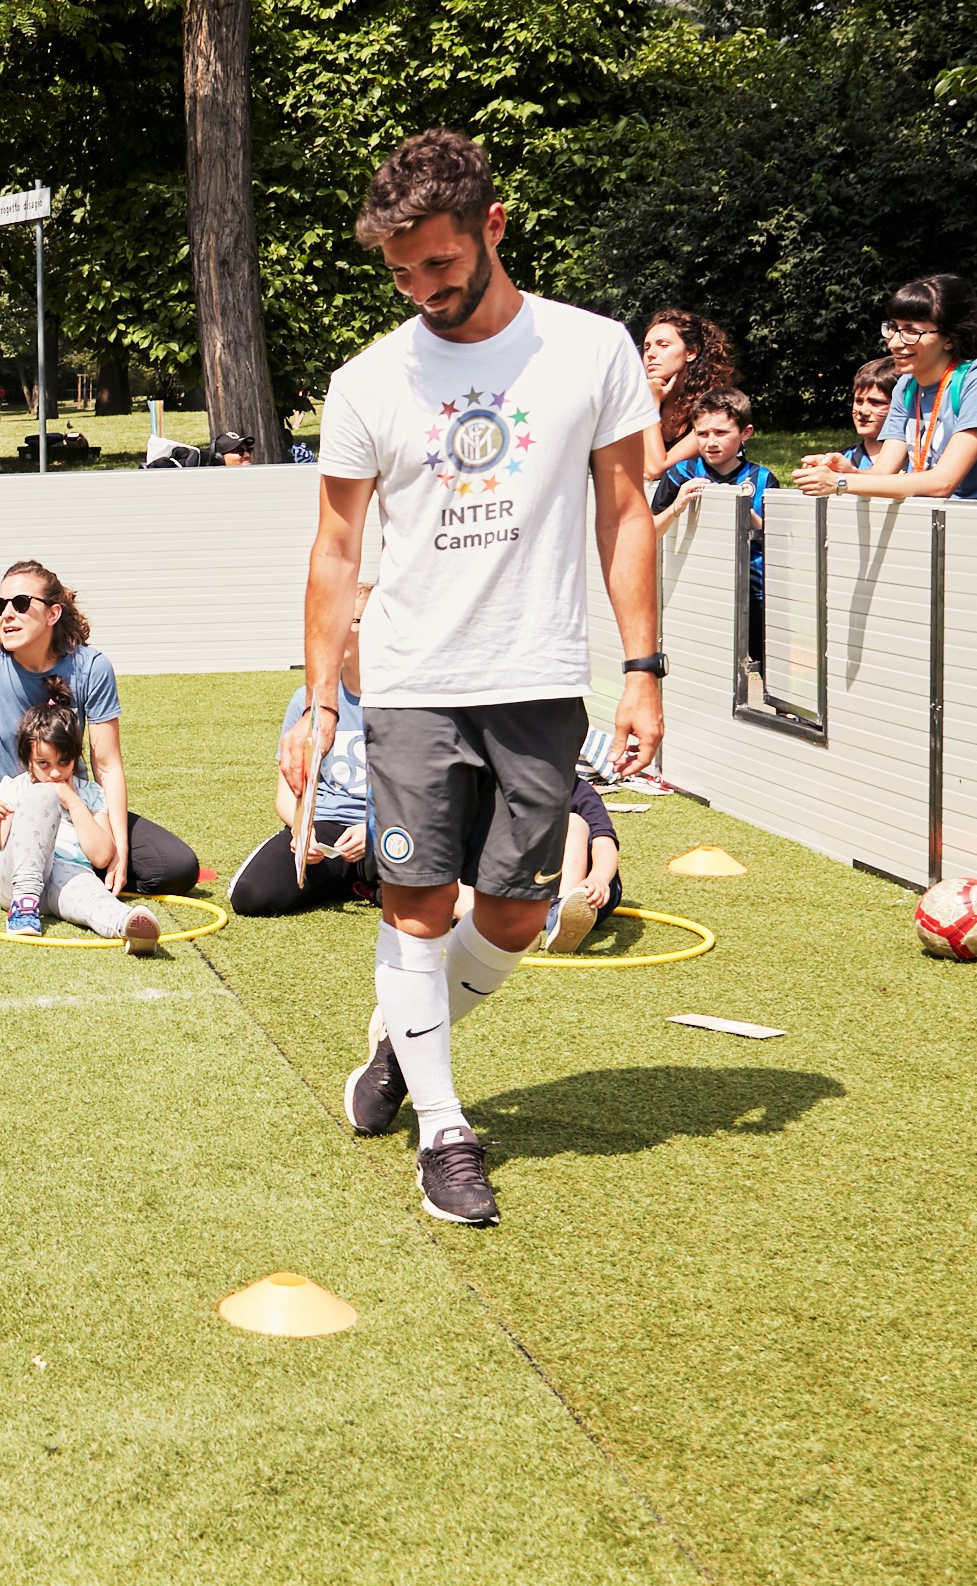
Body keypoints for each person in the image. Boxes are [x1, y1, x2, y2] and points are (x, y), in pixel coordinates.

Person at [294, 127, 665, 1229]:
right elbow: (335, 551)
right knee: (415, 907)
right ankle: (444, 1129)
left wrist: (643, 669)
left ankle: (401, 1047)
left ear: (493, 226)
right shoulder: (368, 379)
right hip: (412, 678)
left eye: (440, 265)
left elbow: (624, 513)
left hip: (538, 675)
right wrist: (322, 700)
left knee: (510, 917)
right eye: (401, 273)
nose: (422, 290)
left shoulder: (592, 349)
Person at [0, 561, 200, 912]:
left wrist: (120, 851)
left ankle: (59, 865)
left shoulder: (91, 667)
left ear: (53, 613)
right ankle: (39, 867)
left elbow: (107, 766)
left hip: (71, 800)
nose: (6, 615)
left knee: (175, 869)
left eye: (20, 603)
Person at [787, 274, 977, 503]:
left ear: (950, 339)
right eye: (893, 328)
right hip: (940, 520)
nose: (894, 343)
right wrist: (848, 471)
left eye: (911, 331)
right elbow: (883, 472)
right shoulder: (907, 385)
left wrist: (842, 483)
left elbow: (943, 482)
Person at [0, 695, 165, 950]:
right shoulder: (15, 789)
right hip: (14, 883)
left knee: (92, 897)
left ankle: (126, 924)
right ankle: (24, 905)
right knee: (42, 794)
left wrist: (74, 803)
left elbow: (101, 857)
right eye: (43, 764)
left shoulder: (90, 794)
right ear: (28, 761)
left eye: (63, 761)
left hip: (69, 877)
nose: (55, 772)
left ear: (75, 758)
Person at [230, 602, 381, 917]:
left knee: (436, 901)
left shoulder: (406, 701)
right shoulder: (308, 700)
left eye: (350, 620)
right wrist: (302, 830)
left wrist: (373, 830)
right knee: (251, 895)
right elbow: (287, 793)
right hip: (327, 825)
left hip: (391, 826)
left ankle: (364, 877)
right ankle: (352, 879)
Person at [651, 387, 772, 653]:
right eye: (702, 434)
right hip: (694, 588)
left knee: (762, 665)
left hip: (752, 592)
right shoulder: (680, 474)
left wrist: (743, 511)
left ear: (746, 433)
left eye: (721, 433)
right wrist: (676, 507)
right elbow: (649, 533)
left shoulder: (762, 479)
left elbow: (776, 542)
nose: (711, 442)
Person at [637, 308, 738, 480]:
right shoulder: (634, 405)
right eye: (647, 348)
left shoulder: (714, 409)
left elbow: (655, 469)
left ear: (691, 352)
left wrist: (651, 404)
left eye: (663, 345)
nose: (651, 354)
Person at [547, 777, 626, 954]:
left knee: (573, 822)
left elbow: (604, 843)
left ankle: (562, 911)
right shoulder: (500, 789)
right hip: (531, 892)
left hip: (590, 896)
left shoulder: (577, 790)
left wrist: (598, 877)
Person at [804, 358, 899, 475]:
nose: (863, 410)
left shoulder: (917, 460)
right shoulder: (840, 462)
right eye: (859, 401)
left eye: (876, 402)